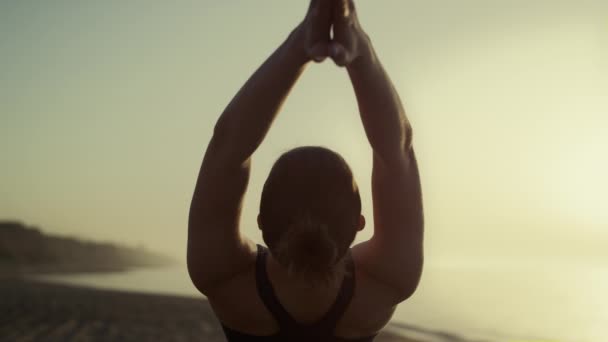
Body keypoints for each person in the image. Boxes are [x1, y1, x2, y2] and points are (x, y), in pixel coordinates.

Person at [187, 0, 424, 341]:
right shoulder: (384, 285)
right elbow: (396, 152)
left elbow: (228, 148)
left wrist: (300, 45)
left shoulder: (224, 278)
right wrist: (360, 50)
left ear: (261, 222)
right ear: (359, 223)